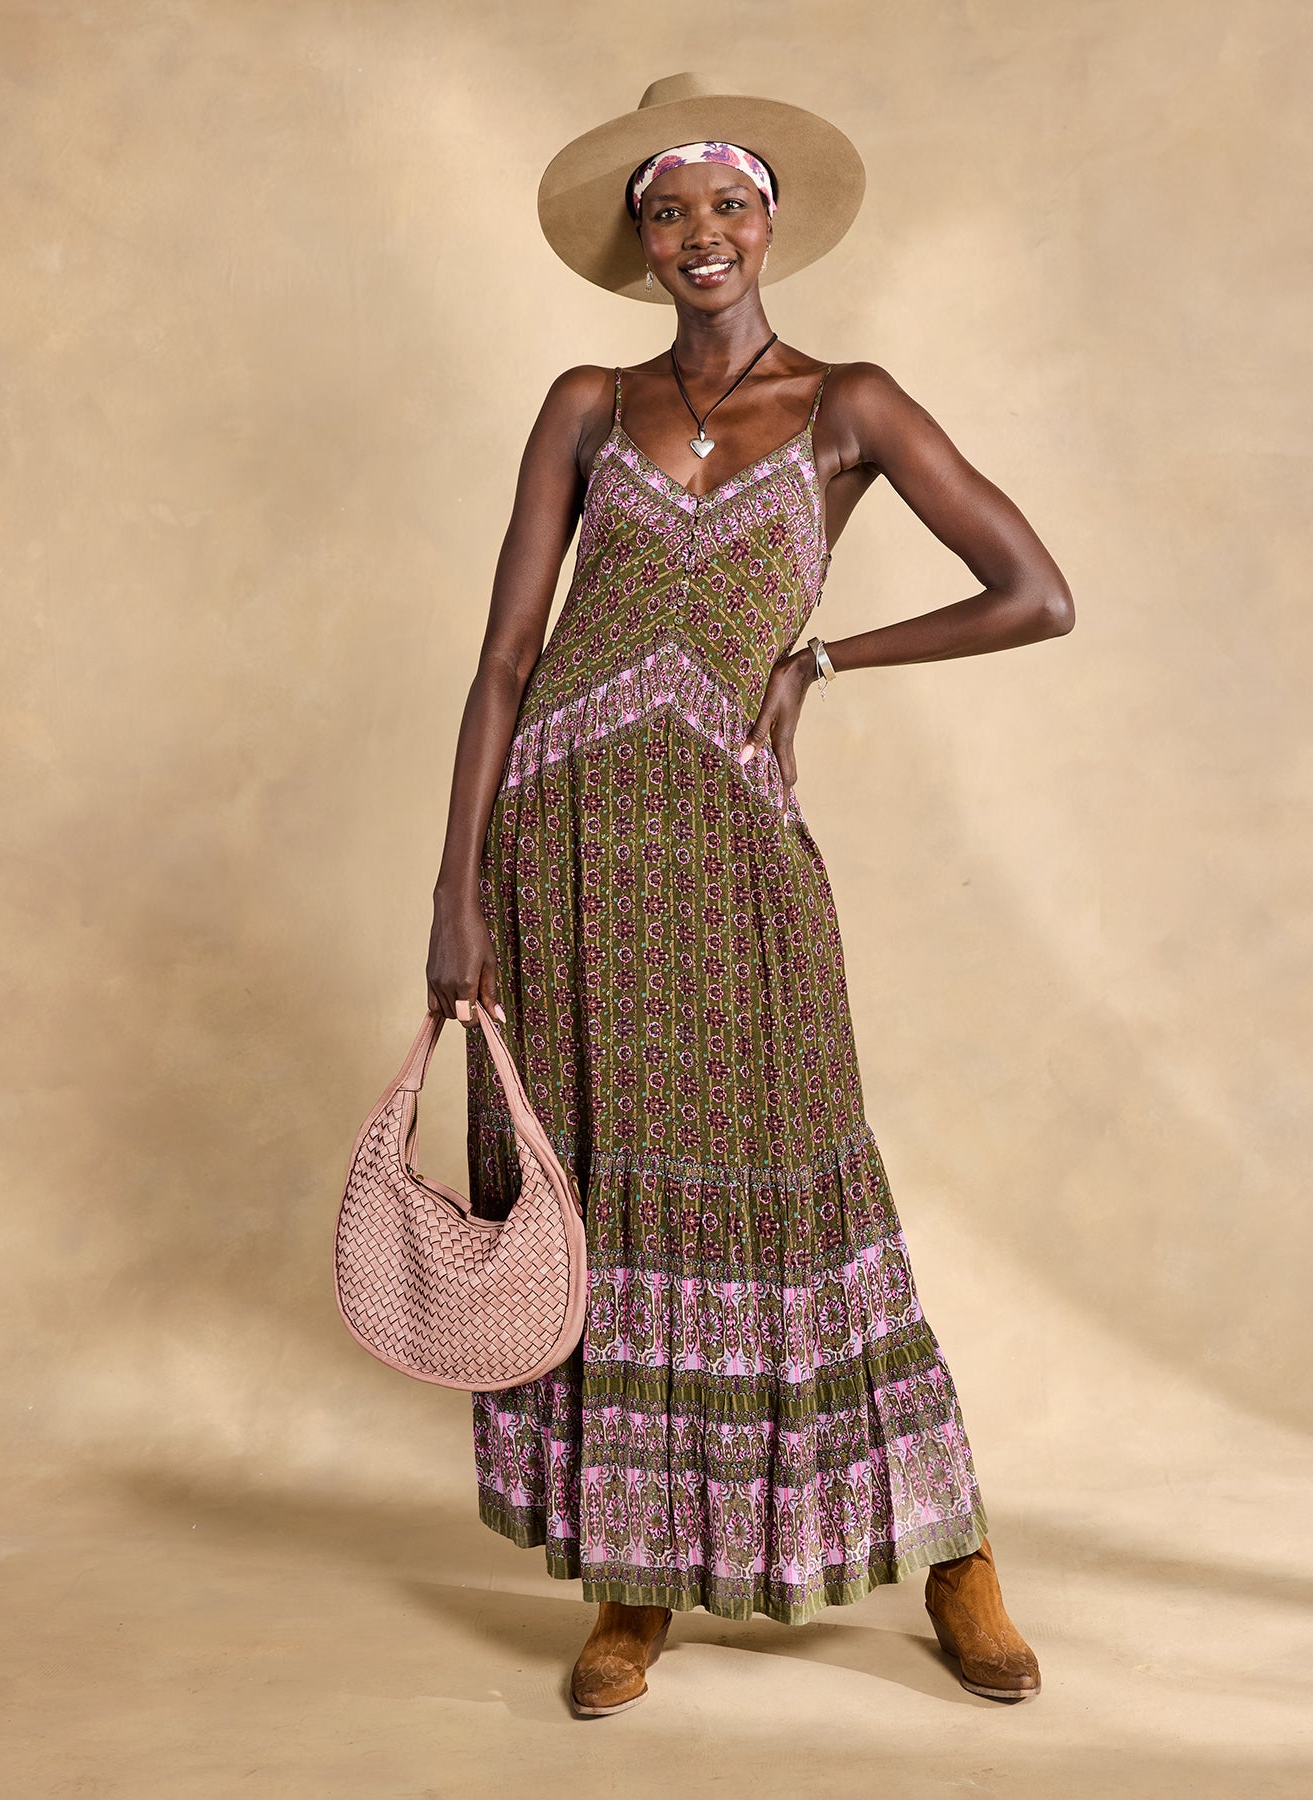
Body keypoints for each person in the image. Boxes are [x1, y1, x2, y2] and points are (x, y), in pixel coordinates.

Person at [424, 72, 1074, 1717]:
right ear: (640, 241)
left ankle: (954, 1555)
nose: (699, 235)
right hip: (561, 848)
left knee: (802, 1197)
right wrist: (453, 894)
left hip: (730, 853)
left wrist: (823, 658)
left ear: (768, 220)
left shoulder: (849, 404)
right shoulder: (587, 403)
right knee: (601, 1210)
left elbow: (1035, 593)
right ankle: (632, 1583)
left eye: (725, 205)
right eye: (668, 213)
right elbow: (505, 656)